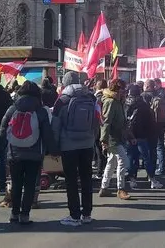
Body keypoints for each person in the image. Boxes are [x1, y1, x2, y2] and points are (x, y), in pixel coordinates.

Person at [0, 81, 56, 224]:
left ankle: (14, 214)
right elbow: (47, 133)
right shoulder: (40, 110)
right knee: (30, 185)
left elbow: (2, 128)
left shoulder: (13, 108)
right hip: (35, 154)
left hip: (14, 153)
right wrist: (53, 151)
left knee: (16, 183)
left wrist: (6, 143)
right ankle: (25, 215)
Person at [51, 72, 99, 226]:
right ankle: (87, 214)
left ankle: (74, 215)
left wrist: (55, 147)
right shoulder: (91, 98)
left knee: (71, 181)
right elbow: (97, 120)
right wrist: (93, 138)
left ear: (65, 84)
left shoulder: (62, 101)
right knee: (86, 179)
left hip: (68, 145)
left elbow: (55, 127)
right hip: (87, 144)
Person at [125, 84, 163, 190]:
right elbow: (149, 122)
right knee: (147, 158)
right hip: (142, 135)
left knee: (132, 158)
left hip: (129, 135)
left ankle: (132, 179)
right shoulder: (143, 105)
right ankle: (152, 179)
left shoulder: (125, 104)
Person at [99, 79, 132, 200]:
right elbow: (106, 122)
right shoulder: (111, 102)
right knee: (123, 160)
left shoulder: (118, 101)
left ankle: (104, 187)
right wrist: (104, 140)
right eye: (123, 90)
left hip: (117, 135)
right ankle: (120, 188)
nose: (125, 92)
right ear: (118, 90)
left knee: (111, 162)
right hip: (112, 137)